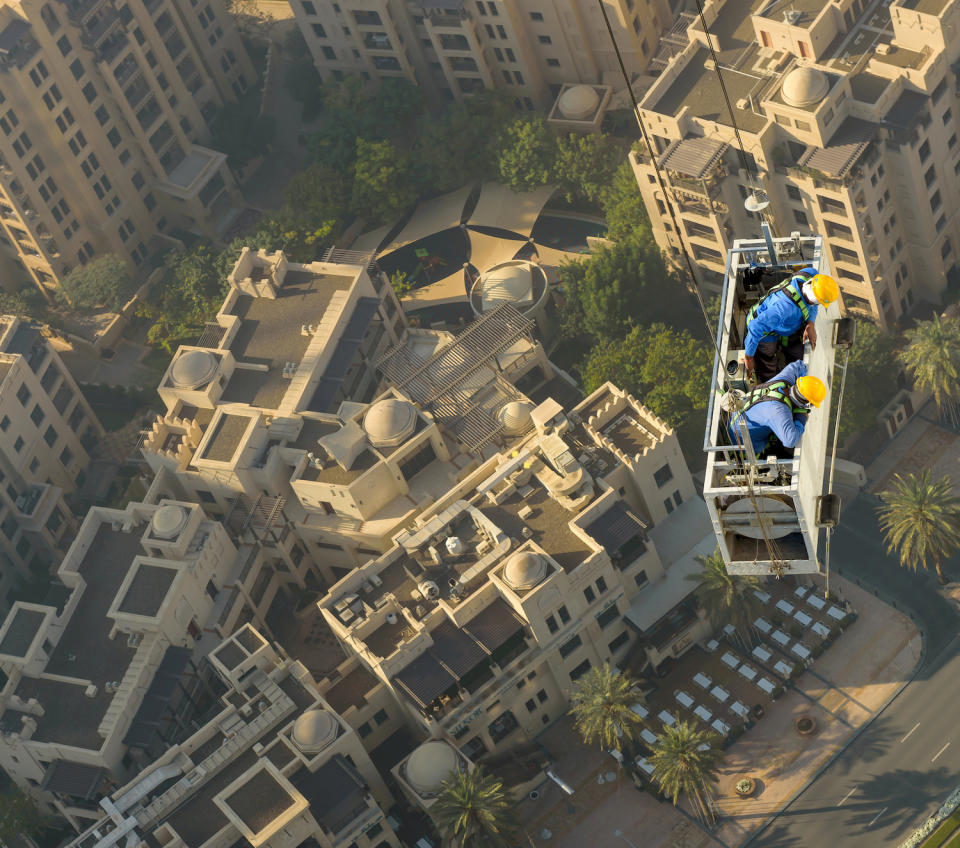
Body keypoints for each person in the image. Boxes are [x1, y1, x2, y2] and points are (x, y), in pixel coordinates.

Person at [743, 268, 839, 383]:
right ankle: (770, 382)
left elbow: (813, 306)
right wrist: (749, 358)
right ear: (815, 299)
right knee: (767, 359)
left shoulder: (811, 274)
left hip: (782, 325)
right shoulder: (784, 308)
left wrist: (810, 324)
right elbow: (755, 326)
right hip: (765, 332)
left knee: (796, 349)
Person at [727, 361, 826, 456]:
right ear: (805, 402)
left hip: (734, 416)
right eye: (811, 404)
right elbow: (790, 441)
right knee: (761, 446)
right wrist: (801, 416)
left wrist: (808, 386)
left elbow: (799, 366)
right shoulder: (779, 411)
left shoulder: (784, 381)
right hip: (740, 439)